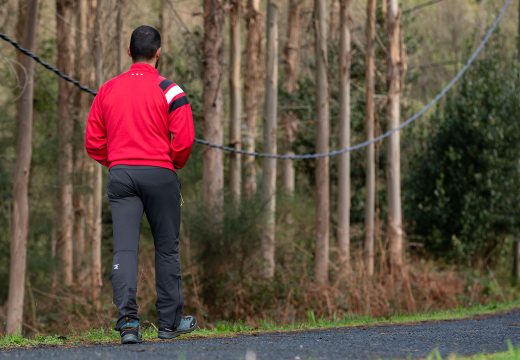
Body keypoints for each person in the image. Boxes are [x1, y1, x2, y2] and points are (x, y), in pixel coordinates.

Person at [85, 25, 196, 344]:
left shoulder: (107, 90)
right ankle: (169, 323)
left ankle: (129, 324)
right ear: (158, 53)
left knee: (124, 249)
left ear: (128, 51)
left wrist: (118, 161)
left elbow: (93, 141)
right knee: (166, 248)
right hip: (161, 174)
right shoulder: (171, 90)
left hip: (122, 176)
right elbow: (185, 140)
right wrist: (170, 162)